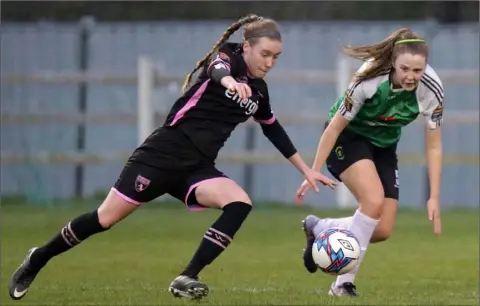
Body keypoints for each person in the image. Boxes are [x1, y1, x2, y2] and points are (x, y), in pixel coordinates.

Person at [8, 14, 336, 301]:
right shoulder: (229, 60)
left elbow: (272, 128)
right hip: (161, 154)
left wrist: (306, 169)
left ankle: (187, 276)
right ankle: (39, 258)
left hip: (196, 168)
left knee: (239, 203)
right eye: (265, 54)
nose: (269, 62)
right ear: (246, 46)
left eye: (276, 57)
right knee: (103, 219)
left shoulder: (259, 90)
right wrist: (231, 82)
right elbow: (216, 68)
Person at [296, 28, 443, 297]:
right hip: (348, 138)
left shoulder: (431, 88)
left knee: (383, 228)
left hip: (384, 145)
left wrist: (433, 196)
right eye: (405, 68)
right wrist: (313, 171)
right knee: (373, 201)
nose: (411, 76)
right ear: (393, 63)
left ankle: (321, 228)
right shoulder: (370, 77)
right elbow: (334, 128)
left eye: (417, 70)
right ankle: (342, 284)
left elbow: (434, 144)